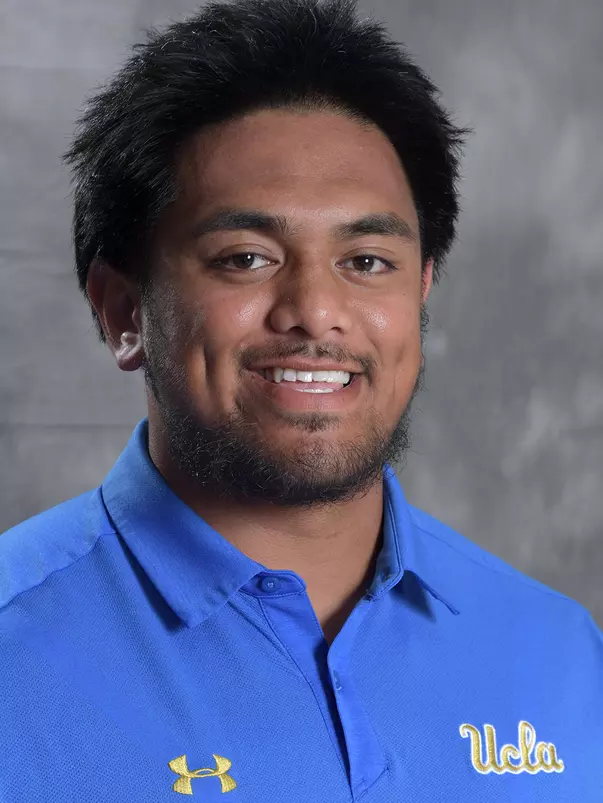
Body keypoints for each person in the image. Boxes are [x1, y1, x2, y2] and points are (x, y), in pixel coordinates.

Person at [1, 0, 601, 799]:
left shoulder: (560, 655)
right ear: (122, 312)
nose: (315, 312)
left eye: (366, 260)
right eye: (245, 258)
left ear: (421, 291)